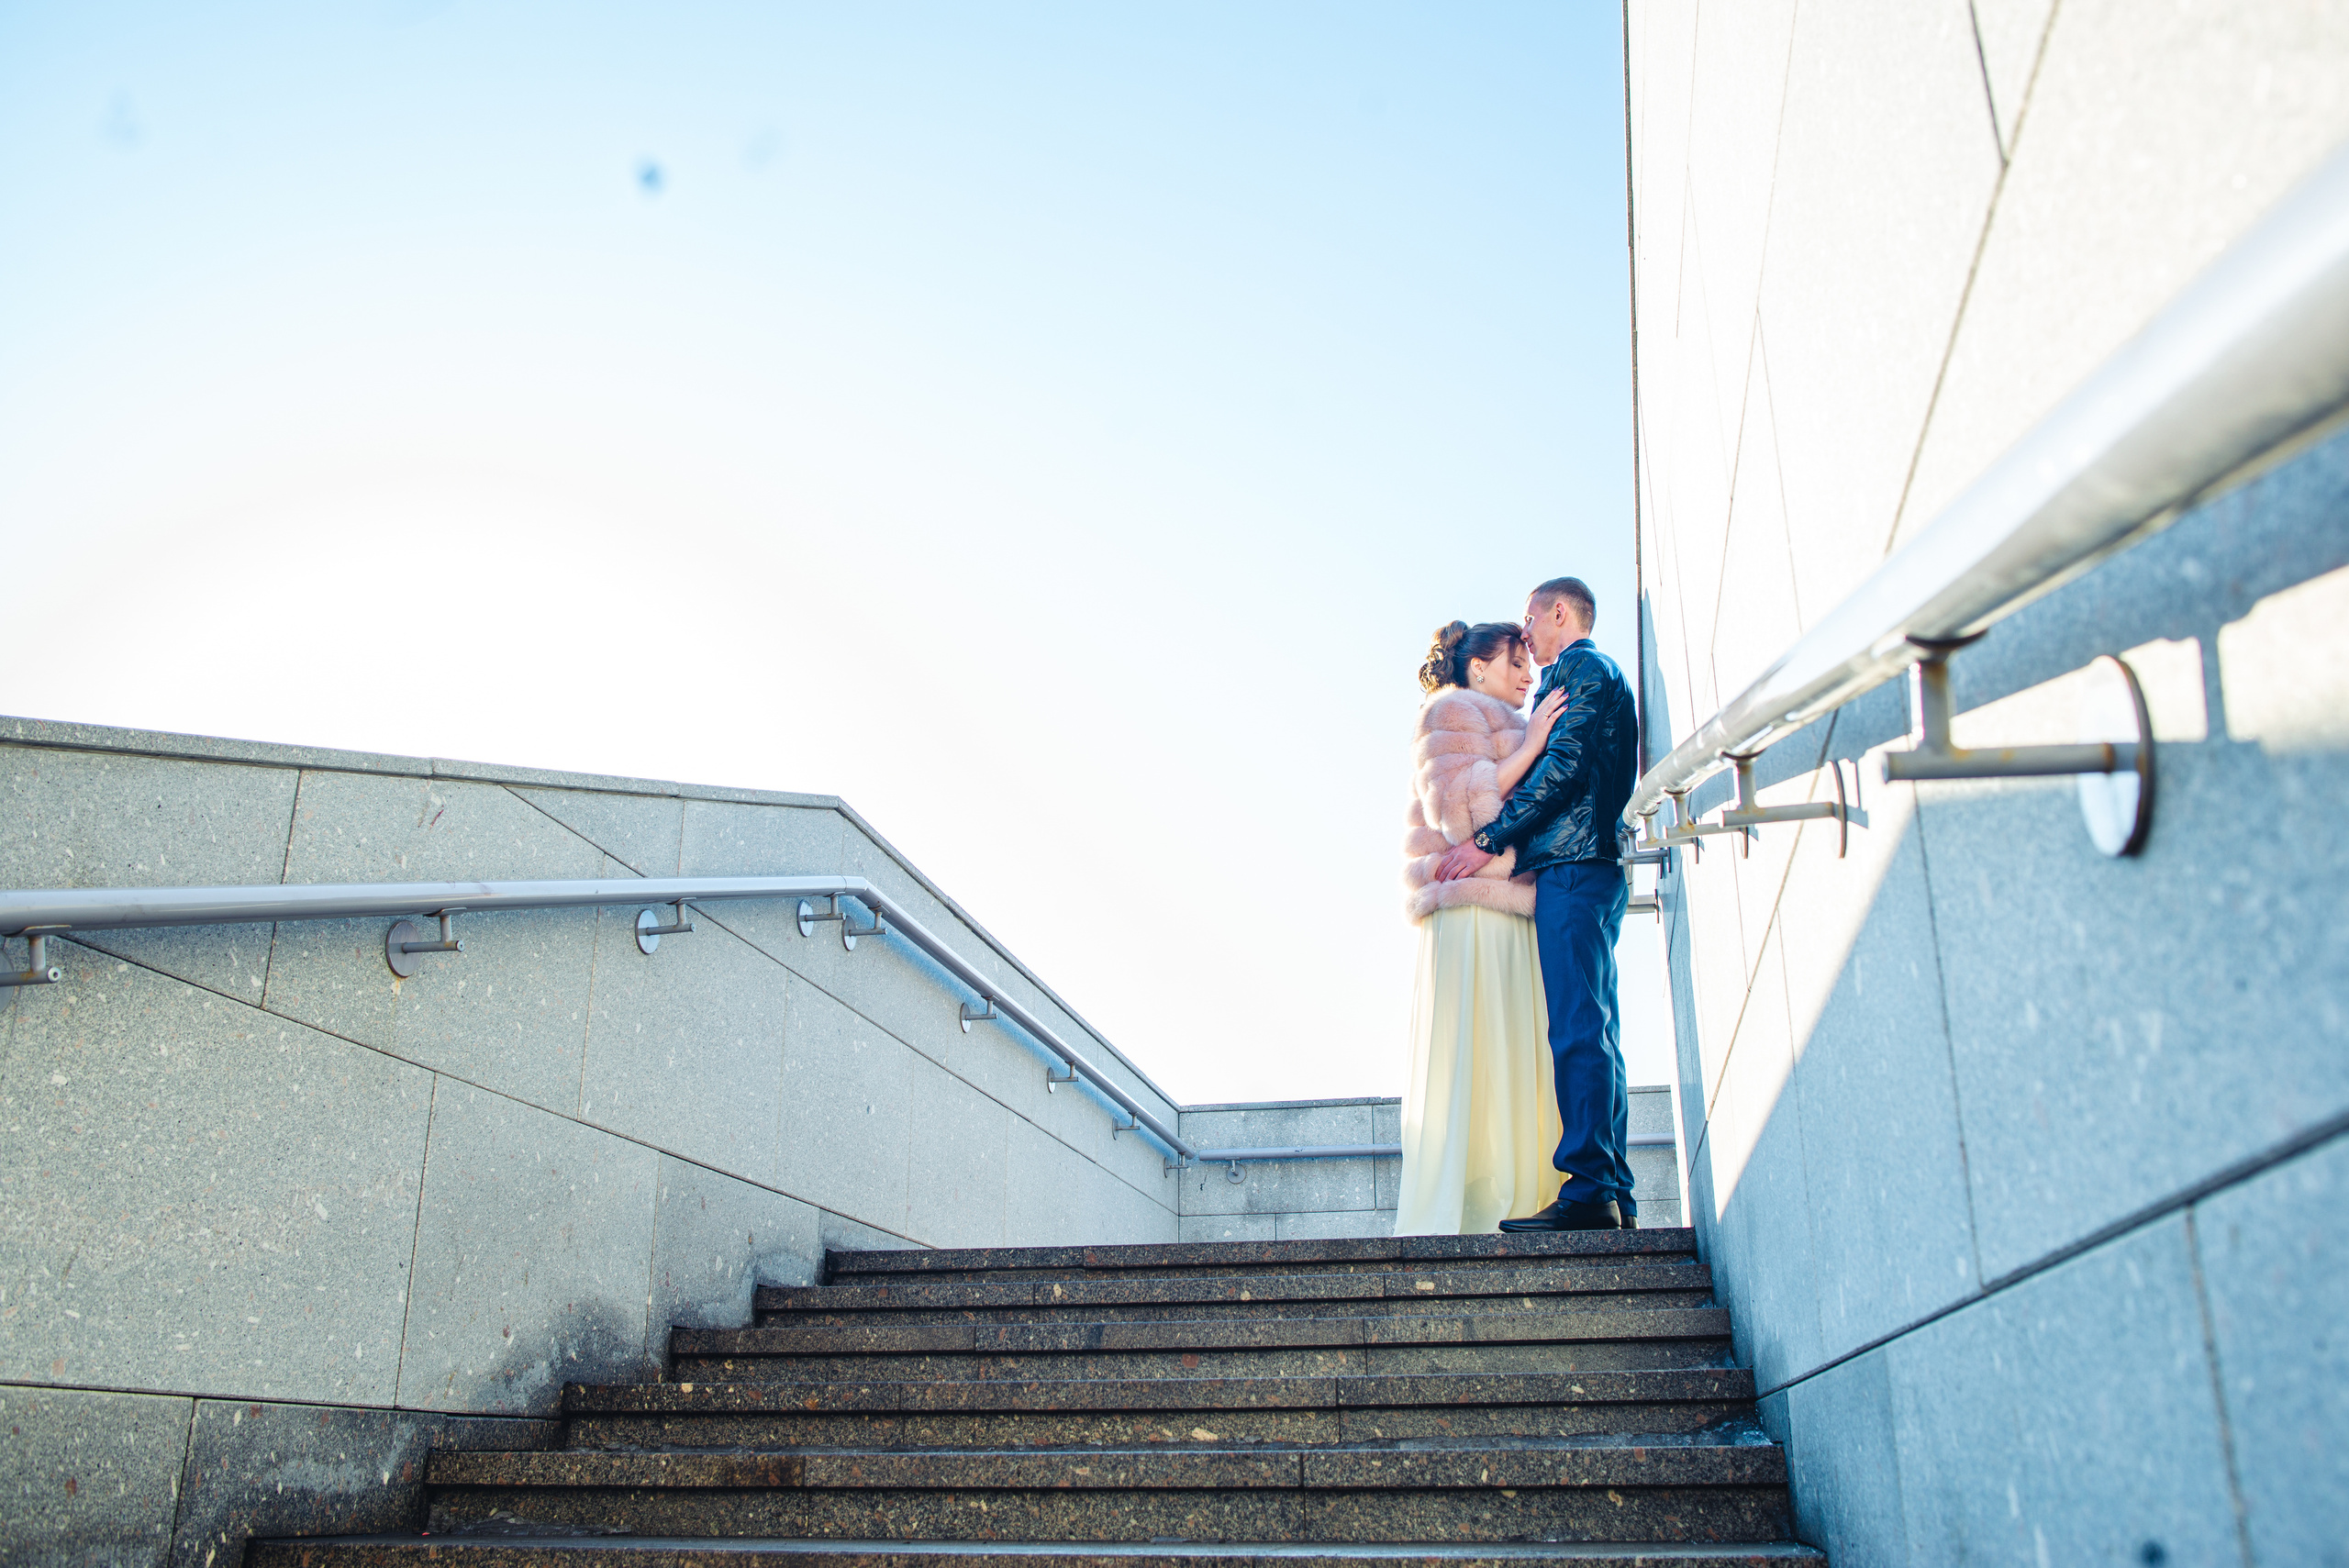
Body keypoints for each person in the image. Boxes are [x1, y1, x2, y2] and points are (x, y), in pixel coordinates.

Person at [1433, 578, 1640, 1230]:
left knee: (1578, 1029)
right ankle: (1613, 1189)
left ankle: (1587, 1191)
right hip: (1596, 868)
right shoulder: (1601, 674)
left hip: (1574, 871)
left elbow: (1562, 769)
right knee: (1598, 1031)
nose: (1527, 634)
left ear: (1559, 613)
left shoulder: (1578, 668)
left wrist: (1489, 837)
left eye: (1531, 618)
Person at [1392, 620, 1570, 1235]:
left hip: (1508, 905)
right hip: (1470, 909)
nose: (1527, 674)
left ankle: (1515, 1202)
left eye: (1528, 662)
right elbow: (1457, 808)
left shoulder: (1507, 719)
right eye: (1513, 662)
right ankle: (1467, 1214)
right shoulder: (1452, 710)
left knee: (1510, 1054)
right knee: (1477, 1055)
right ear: (1477, 668)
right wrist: (1533, 743)